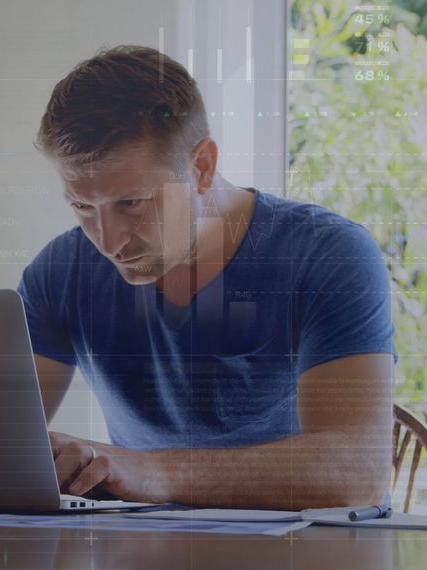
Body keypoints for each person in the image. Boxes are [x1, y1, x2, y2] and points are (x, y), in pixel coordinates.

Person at [20, 46, 395, 510]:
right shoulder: (60, 273)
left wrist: (148, 471)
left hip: (309, 549)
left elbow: (358, 472)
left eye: (132, 203)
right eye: (82, 207)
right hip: (149, 545)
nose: (109, 240)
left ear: (201, 167)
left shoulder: (327, 254)